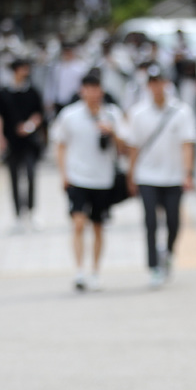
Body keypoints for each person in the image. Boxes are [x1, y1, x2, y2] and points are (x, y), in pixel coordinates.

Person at [53, 73, 129, 291]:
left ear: (101, 91)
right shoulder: (69, 115)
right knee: (78, 223)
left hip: (103, 179)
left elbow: (125, 147)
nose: (93, 93)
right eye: (89, 89)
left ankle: (95, 271)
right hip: (77, 177)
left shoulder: (112, 114)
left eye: (96, 89)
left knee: (98, 226)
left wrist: (113, 133)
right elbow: (60, 145)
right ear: (82, 91)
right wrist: (64, 174)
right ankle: (79, 271)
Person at [127, 66, 196, 288]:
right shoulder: (138, 113)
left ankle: (167, 253)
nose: (157, 86)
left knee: (173, 221)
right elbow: (134, 146)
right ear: (148, 85)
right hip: (147, 175)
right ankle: (153, 267)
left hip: (173, 176)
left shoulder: (181, 112)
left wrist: (187, 174)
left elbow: (188, 145)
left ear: (166, 83)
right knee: (150, 221)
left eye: (160, 81)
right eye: (152, 82)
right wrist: (131, 174)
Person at [0, 58, 45, 233]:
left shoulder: (32, 91)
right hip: (11, 142)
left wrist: (29, 127)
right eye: (22, 69)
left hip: (29, 142)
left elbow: (39, 114)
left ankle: (30, 211)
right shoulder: (3, 93)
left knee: (30, 175)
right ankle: (17, 216)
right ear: (15, 70)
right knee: (13, 178)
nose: (26, 72)